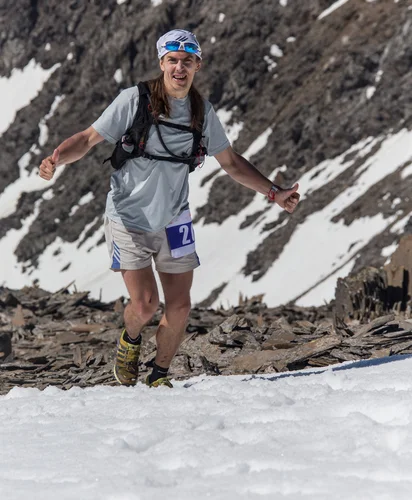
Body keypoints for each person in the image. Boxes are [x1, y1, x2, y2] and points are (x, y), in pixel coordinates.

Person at [39, 28, 300, 388]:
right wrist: (56, 158)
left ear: (197, 66)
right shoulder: (134, 100)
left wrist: (275, 192)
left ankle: (159, 376)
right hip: (128, 218)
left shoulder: (201, 112)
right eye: (173, 60)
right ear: (162, 63)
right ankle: (130, 341)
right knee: (145, 305)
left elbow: (232, 163)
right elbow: (87, 138)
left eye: (188, 61)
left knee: (180, 307)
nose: (180, 68)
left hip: (175, 218)